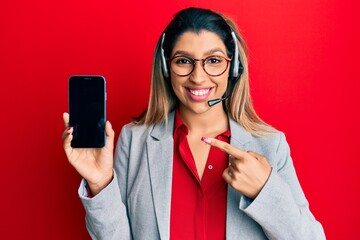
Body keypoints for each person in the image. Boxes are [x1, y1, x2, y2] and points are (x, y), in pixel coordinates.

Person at [62, 7, 325, 240]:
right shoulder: (134, 140)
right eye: (183, 61)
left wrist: (264, 190)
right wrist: (100, 184)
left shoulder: (270, 144)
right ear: (166, 67)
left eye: (213, 61)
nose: (198, 77)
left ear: (233, 69)